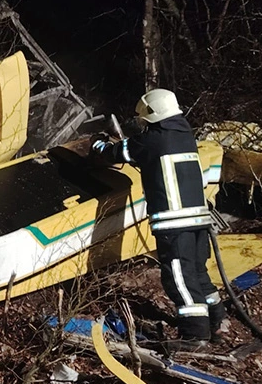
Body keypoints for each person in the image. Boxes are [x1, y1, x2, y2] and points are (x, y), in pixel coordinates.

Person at [91, 88, 224, 344]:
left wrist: (98, 143)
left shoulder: (153, 140)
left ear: (152, 114)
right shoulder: (184, 135)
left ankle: (195, 334)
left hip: (174, 222)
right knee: (197, 272)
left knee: (179, 277)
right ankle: (217, 322)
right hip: (199, 220)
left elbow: (114, 154)